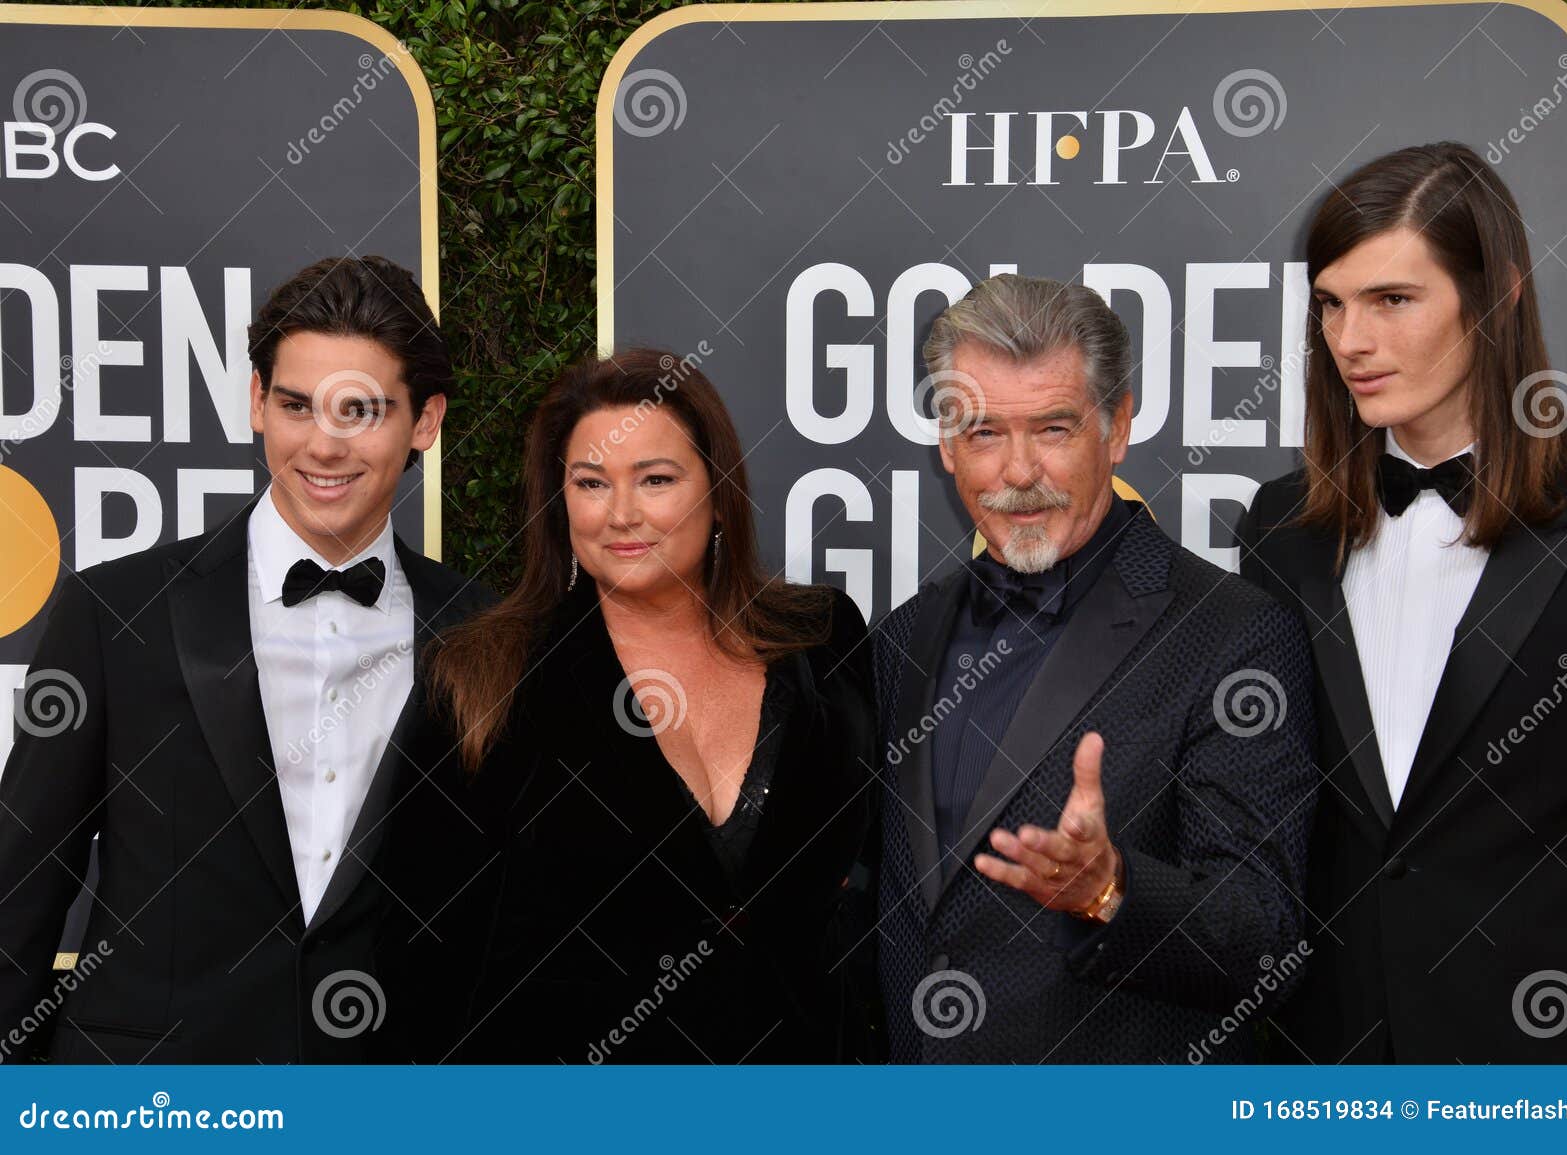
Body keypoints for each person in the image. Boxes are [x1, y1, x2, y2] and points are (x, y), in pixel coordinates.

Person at [0, 255, 492, 1062]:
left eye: (360, 410)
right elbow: (18, 893)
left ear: (426, 421)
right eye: (296, 405)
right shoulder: (116, 612)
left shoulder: (483, 631)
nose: (323, 445)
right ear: (258, 402)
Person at [381, 348, 877, 1063]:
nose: (621, 513)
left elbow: (874, 875)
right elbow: (419, 955)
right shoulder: (484, 676)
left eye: (655, 479)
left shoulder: (823, 636)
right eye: (590, 482)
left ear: (717, 490)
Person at [873, 273, 1318, 1063]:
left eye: (1052, 428)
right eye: (981, 433)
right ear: (945, 444)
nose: (1017, 472)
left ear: (1117, 428)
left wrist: (1111, 891)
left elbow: (1264, 940)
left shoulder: (1235, 636)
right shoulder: (905, 634)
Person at [1235, 142, 1567, 1063]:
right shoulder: (1281, 531)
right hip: (1328, 1059)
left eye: (1393, 300)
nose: (1351, 341)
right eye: (1330, 304)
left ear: (1499, 293)